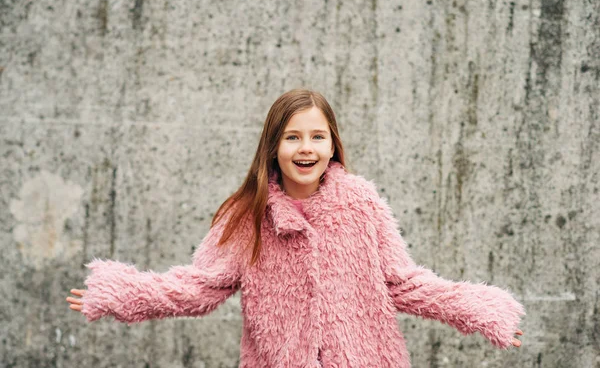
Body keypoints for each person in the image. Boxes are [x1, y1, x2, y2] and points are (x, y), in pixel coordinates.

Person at [67, 89, 524, 367]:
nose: (306, 148)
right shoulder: (248, 215)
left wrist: (479, 308)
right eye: (293, 137)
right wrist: (121, 292)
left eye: (317, 136)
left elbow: (405, 284)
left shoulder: (361, 204)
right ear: (274, 146)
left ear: (332, 146)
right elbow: (199, 287)